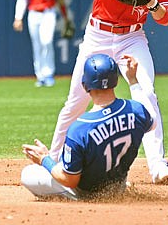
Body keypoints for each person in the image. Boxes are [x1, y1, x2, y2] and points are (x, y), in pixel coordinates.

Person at [48, 0, 168, 184]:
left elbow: (165, 18)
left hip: (132, 37)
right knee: (76, 102)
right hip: (99, 36)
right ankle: (54, 160)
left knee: (146, 92)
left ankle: (158, 166)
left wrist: (152, 2)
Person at [21, 53, 155, 200]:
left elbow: (69, 180)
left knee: (28, 173)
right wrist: (133, 81)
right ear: (116, 81)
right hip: (118, 185)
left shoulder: (79, 128)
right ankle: (115, 189)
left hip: (86, 194)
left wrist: (44, 159)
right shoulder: (136, 111)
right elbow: (152, 121)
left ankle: (72, 198)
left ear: (85, 86)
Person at [13, 0, 72, 87]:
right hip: (33, 13)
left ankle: (48, 73)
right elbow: (22, 0)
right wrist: (18, 18)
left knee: (47, 41)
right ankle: (40, 76)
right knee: (37, 45)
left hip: (48, 12)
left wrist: (66, 17)